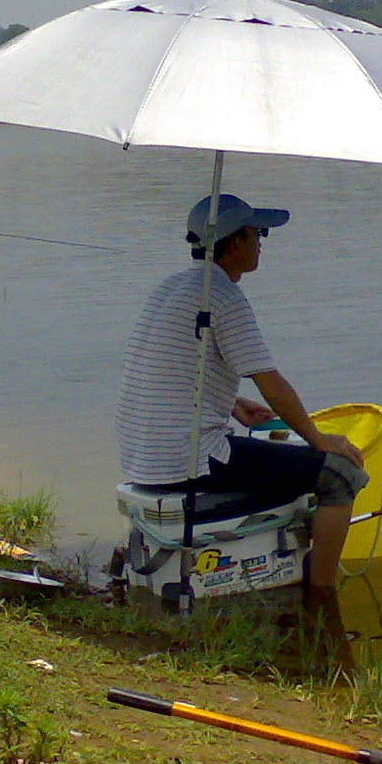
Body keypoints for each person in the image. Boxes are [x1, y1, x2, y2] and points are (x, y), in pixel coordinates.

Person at [115, 193, 367, 589]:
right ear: (236, 243)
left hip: (142, 454)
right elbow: (272, 385)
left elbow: (168, 371)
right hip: (187, 459)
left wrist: (230, 403)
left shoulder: (172, 288)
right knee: (340, 474)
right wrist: (318, 439)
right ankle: (323, 594)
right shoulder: (223, 296)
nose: (261, 243)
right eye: (258, 234)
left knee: (290, 460)